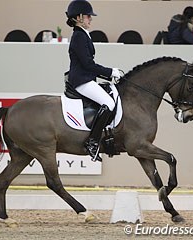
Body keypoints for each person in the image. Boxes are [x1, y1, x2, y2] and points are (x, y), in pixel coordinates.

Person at [65, 0, 121, 161]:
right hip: (81, 81)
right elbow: (88, 64)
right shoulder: (78, 36)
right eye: (88, 16)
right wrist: (110, 72)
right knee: (109, 103)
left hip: (86, 78)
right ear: (79, 17)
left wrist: (109, 76)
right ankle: (92, 141)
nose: (91, 19)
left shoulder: (82, 34)